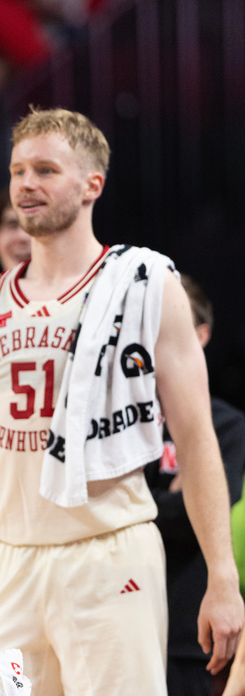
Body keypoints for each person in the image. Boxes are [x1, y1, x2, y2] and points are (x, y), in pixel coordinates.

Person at [0, 107, 243, 693]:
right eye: (17, 171)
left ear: (91, 185)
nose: (27, 184)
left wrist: (223, 577)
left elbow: (196, 439)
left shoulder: (146, 283)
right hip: (6, 561)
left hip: (109, 556)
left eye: (46, 170)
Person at [144, 274, 245, 695]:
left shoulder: (226, 423)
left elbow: (208, 511)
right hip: (120, 609)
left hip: (191, 627)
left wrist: (146, 504)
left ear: (200, 335)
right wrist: (175, 499)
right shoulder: (122, 421)